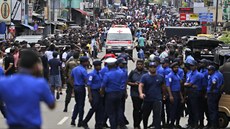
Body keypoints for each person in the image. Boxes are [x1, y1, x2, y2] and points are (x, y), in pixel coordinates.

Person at [0, 49, 55, 129]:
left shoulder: (5, 82)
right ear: (36, 65)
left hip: (13, 126)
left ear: (19, 65)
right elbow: (51, 105)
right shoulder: (39, 83)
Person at [139, 62, 166, 129]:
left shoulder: (160, 77)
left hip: (157, 99)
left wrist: (164, 95)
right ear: (149, 68)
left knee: (157, 116)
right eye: (151, 67)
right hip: (147, 99)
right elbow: (141, 85)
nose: (153, 68)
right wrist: (141, 93)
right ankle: (145, 127)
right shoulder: (145, 77)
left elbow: (163, 87)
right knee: (145, 115)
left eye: (154, 67)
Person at [101, 58, 126, 129]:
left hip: (110, 94)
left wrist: (102, 93)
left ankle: (113, 126)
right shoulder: (121, 72)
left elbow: (103, 85)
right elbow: (123, 83)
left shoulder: (107, 74)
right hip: (119, 93)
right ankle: (120, 124)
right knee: (119, 110)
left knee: (111, 112)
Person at [82, 60, 104, 129]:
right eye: (99, 65)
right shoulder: (91, 74)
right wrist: (90, 95)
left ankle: (98, 124)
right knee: (94, 107)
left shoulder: (100, 73)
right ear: (95, 66)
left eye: (100, 65)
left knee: (100, 109)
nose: (100, 67)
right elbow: (89, 85)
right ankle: (85, 121)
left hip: (99, 92)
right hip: (94, 92)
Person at [128, 60, 147, 129]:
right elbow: (128, 81)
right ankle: (136, 125)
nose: (139, 65)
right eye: (138, 64)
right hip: (135, 93)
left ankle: (139, 121)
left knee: (143, 109)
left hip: (143, 94)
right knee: (136, 109)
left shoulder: (146, 72)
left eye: (141, 64)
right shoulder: (133, 72)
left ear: (143, 65)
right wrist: (134, 84)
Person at [184, 60, 203, 129]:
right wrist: (187, 84)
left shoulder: (197, 74)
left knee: (195, 109)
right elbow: (187, 83)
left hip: (195, 93)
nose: (191, 67)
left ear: (196, 66)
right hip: (189, 92)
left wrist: (187, 84)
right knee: (190, 109)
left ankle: (195, 124)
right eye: (190, 66)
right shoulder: (189, 73)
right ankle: (191, 124)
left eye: (192, 65)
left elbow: (189, 84)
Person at [70, 56, 89, 127]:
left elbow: (70, 78)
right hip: (81, 88)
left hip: (76, 87)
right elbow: (86, 80)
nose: (87, 63)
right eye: (86, 61)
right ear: (84, 62)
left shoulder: (74, 69)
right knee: (81, 105)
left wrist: (73, 86)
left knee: (77, 104)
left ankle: (73, 119)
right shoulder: (83, 70)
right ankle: (80, 121)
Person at [166, 62, 184, 129]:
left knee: (178, 110)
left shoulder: (177, 75)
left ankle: (177, 124)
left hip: (178, 93)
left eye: (177, 67)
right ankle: (172, 124)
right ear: (172, 68)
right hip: (173, 93)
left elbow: (178, 87)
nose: (176, 68)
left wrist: (181, 97)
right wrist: (170, 95)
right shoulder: (170, 75)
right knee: (173, 109)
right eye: (175, 67)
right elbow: (168, 86)